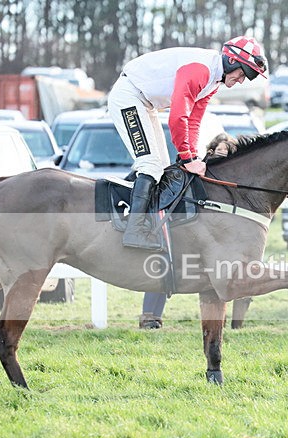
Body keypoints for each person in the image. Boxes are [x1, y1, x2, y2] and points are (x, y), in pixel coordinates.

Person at [107, 35, 267, 249]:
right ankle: (133, 230)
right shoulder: (200, 70)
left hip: (145, 103)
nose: (241, 80)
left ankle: (144, 223)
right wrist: (187, 158)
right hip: (129, 96)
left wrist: (192, 156)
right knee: (151, 165)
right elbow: (177, 118)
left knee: (162, 168)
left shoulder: (213, 82)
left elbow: (193, 122)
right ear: (231, 61)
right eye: (242, 73)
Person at [138, 132, 238, 330]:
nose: (222, 159)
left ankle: (223, 321)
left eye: (227, 155)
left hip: (212, 237)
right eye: (219, 153)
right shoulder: (197, 171)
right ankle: (150, 317)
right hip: (183, 229)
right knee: (163, 267)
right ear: (211, 152)